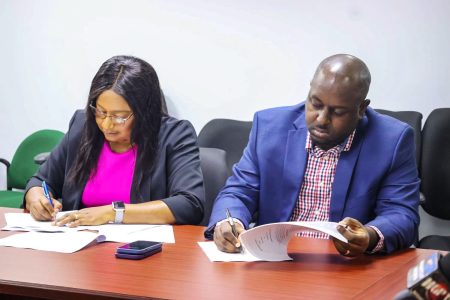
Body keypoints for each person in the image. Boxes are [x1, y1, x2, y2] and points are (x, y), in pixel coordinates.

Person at [205, 54, 420, 257]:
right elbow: (239, 190)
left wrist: (370, 235)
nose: (322, 119)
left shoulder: (392, 140)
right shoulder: (269, 127)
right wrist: (230, 221)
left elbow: (402, 214)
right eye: (316, 104)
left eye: (337, 112)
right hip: (276, 260)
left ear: (362, 108)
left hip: (344, 265)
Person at [24, 55, 204, 226]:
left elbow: (189, 204)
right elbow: (41, 180)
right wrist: (36, 198)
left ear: (144, 113)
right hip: (81, 246)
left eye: (120, 116)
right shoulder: (83, 126)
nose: (107, 124)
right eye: (101, 112)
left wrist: (113, 212)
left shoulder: (174, 135)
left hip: (141, 249)